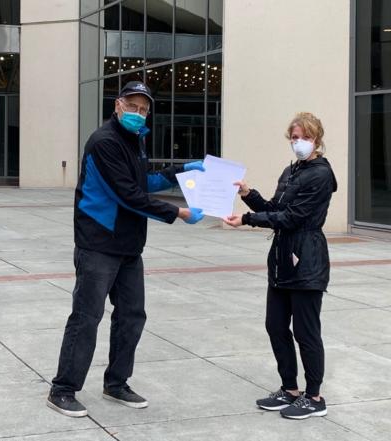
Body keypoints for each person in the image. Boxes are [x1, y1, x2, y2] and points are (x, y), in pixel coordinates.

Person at [46, 81, 206, 418]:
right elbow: (127, 195)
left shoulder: (134, 141)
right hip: (99, 243)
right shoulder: (104, 142)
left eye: (144, 109)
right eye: (132, 106)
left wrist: (178, 172)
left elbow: (141, 183)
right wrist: (177, 212)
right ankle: (63, 388)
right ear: (118, 105)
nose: (138, 113)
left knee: (132, 315)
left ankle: (116, 383)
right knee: (87, 316)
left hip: (129, 244)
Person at [224, 112, 337, 420]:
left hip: (307, 260)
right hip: (281, 260)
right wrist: (248, 195)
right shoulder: (291, 172)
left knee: (306, 332)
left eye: (303, 137)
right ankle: (290, 389)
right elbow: (276, 209)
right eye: (293, 137)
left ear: (317, 139)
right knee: (275, 326)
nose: (297, 142)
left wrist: (247, 220)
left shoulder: (320, 174)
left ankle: (314, 396)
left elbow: (293, 217)